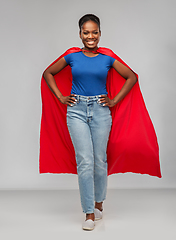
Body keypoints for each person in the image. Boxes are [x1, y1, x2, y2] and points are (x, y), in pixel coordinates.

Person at [41, 14, 161, 231]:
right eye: (86, 32)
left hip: (101, 111)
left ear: (99, 33)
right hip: (76, 111)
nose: (90, 36)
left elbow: (132, 77)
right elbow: (48, 72)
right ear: (79, 34)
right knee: (84, 161)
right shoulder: (72, 56)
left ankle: (99, 204)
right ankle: (88, 213)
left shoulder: (107, 57)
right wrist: (61, 97)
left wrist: (114, 100)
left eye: (94, 32)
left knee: (99, 160)